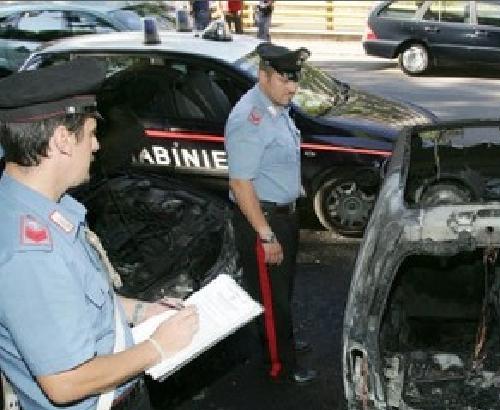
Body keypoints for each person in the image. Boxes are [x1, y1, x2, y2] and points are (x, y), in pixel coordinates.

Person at [0, 58, 199, 410]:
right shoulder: (31, 251)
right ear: (62, 140)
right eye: (91, 134)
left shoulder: (37, 207)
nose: (95, 146)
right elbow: (66, 382)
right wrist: (158, 347)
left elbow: (74, 301)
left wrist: (141, 312)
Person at [224, 43, 317, 384]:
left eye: (295, 81)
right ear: (263, 76)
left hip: (282, 216)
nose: (292, 88)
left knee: (281, 291)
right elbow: (240, 183)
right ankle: (280, 365)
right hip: (262, 221)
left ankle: (283, 342)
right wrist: (266, 234)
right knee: (271, 298)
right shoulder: (250, 118)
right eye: (284, 80)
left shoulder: (277, 108)